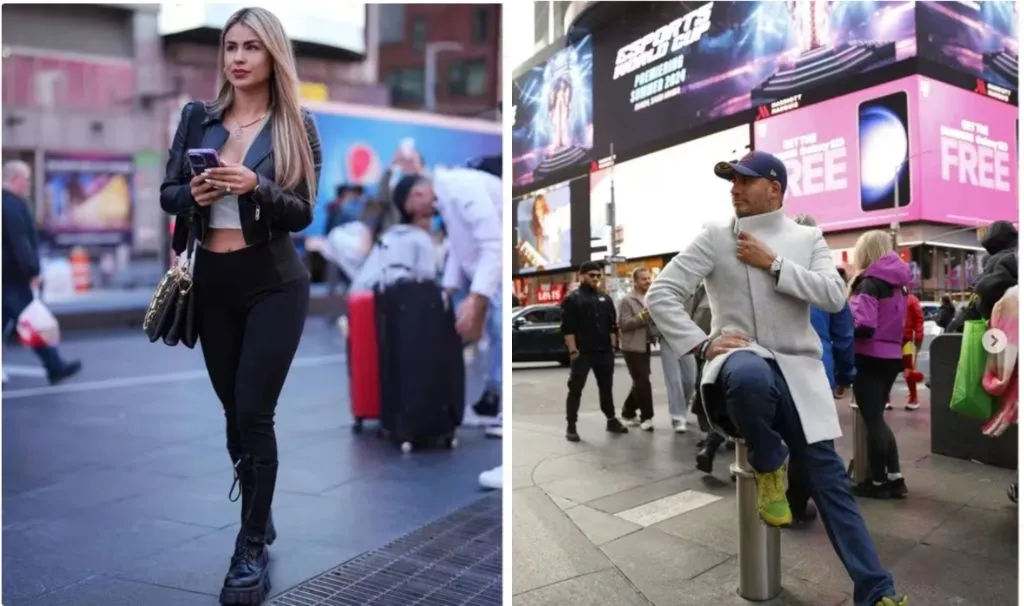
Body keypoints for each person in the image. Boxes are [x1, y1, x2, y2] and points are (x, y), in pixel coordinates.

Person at [647, 151, 907, 606]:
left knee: (832, 487)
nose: (734, 189)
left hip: (801, 376)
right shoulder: (714, 236)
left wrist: (775, 264)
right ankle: (770, 464)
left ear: (775, 187)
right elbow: (661, 293)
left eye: (744, 180)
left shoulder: (807, 237)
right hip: (741, 363)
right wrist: (702, 344)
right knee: (747, 374)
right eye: (731, 181)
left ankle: (877, 590)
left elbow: (832, 296)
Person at [158, 8, 320, 603]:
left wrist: (258, 187)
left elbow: (303, 211)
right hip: (214, 282)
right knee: (233, 414)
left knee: (254, 412)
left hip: (274, 282)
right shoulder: (197, 117)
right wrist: (193, 193)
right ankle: (261, 508)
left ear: (272, 54)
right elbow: (168, 192)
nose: (238, 58)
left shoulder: (295, 123)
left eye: (251, 47)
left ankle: (250, 545)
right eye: (230, 46)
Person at [388, 153, 504, 489]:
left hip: (498, 273)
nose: (419, 215)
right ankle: (496, 412)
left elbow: (493, 244)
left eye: (414, 208)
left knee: (500, 334)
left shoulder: (462, 188)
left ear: (419, 194)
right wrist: (450, 287)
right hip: (487, 276)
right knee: (495, 339)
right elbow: (458, 246)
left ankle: (504, 428)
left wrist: (476, 298)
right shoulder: (447, 196)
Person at [1, 161, 82, 384]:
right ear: (16, 179)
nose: (27, 184)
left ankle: (55, 365)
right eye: (26, 179)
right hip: (13, 278)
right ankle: (55, 366)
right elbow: (20, 241)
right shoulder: (12, 205)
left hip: (7, 276)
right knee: (36, 322)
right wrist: (33, 270)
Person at [848, 231, 911, 501]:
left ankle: (877, 482)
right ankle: (895, 478)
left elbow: (863, 324)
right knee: (878, 419)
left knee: (873, 419)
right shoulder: (900, 285)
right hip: (891, 356)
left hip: (867, 356)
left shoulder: (869, 284)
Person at [561, 262, 629, 441]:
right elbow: (568, 329)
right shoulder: (572, 299)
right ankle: (571, 426)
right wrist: (573, 351)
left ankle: (611, 419)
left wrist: (613, 347)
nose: (595, 279)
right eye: (591, 275)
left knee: (606, 387)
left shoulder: (605, 298)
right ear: (581, 275)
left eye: (598, 276)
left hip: (604, 351)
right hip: (583, 352)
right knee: (575, 389)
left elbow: (612, 326)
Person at [618, 267, 656, 431]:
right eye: (643, 279)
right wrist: (642, 316)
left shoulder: (650, 297)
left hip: (645, 344)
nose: (647, 281)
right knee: (643, 381)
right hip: (631, 346)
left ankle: (627, 411)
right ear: (635, 281)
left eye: (649, 278)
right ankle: (646, 417)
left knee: (641, 380)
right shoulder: (627, 300)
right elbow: (624, 325)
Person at [900, 292, 924, 411]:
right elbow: (919, 319)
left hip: (905, 340)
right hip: (896, 340)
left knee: (908, 368)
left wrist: (919, 337)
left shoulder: (911, 300)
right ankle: (913, 398)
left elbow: (919, 319)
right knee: (887, 369)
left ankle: (913, 397)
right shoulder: (911, 300)